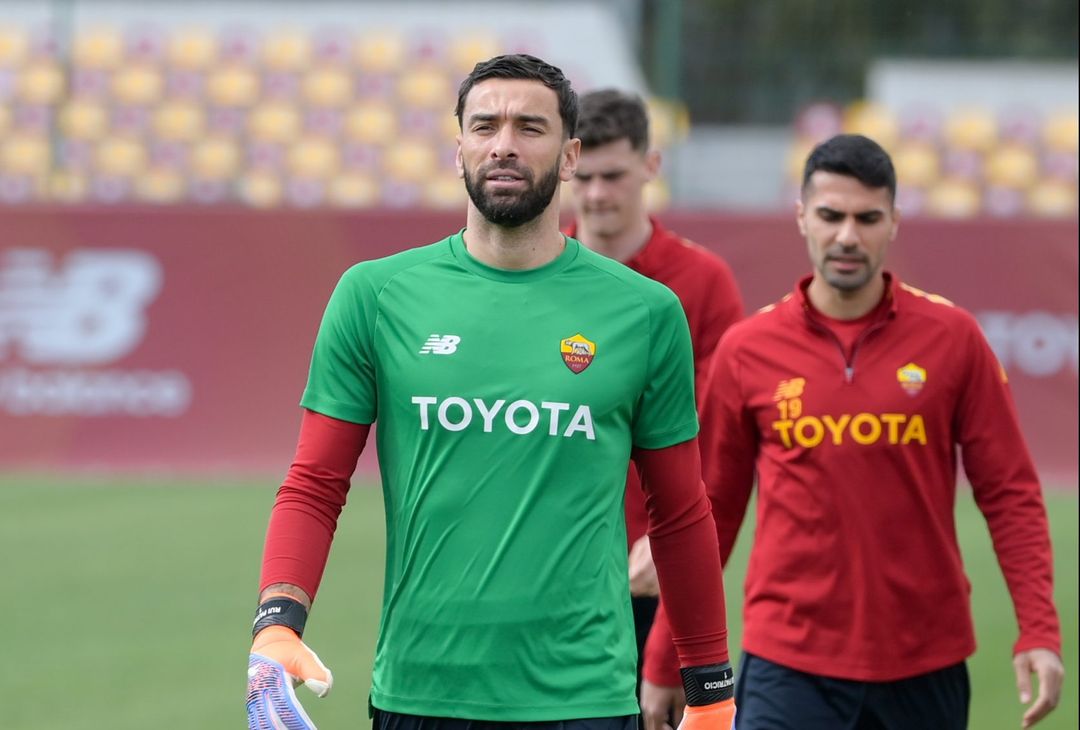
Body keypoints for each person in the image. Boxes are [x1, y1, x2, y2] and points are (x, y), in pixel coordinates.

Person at [244, 54, 738, 730]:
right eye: (485, 125)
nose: (504, 143)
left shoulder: (647, 313)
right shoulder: (375, 295)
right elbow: (315, 480)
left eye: (530, 127)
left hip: (585, 698)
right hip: (420, 691)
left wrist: (711, 692)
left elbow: (680, 513)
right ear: (459, 149)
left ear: (568, 156)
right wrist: (277, 623)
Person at [644, 133, 1065, 730]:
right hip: (787, 663)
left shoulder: (953, 338)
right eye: (831, 215)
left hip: (926, 660)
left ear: (893, 222)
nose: (847, 235)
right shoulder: (748, 350)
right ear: (801, 218)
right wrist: (667, 658)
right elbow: (710, 511)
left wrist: (1039, 630)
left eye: (867, 218)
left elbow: (1010, 493)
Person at [563, 88, 743, 729]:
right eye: (581, 175)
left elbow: (719, 443)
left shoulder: (701, 282)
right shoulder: (531, 273)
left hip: (653, 570)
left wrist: (667, 542)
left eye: (613, 175)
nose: (596, 193)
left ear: (651, 166)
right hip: (551, 568)